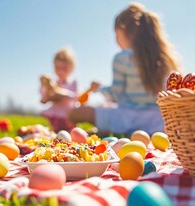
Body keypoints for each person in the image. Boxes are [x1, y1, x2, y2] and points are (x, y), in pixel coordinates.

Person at [69, 3, 180, 136]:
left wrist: (97, 89)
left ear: (122, 29)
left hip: (125, 119)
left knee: (74, 113)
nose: (116, 40)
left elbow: (116, 95)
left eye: (116, 34)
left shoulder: (122, 58)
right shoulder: (165, 59)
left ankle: (104, 131)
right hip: (158, 121)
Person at [40, 47, 78, 132]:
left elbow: (75, 96)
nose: (61, 71)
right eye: (58, 68)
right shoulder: (53, 82)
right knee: (55, 133)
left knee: (71, 133)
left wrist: (62, 93)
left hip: (69, 115)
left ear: (72, 67)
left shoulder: (73, 82)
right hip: (55, 115)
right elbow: (44, 97)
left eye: (64, 68)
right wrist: (45, 87)